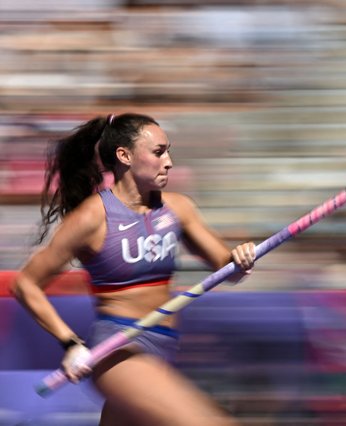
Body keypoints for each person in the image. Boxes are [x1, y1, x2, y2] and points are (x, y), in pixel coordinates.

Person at [10, 113, 256, 426]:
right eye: (158, 152)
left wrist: (241, 259)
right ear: (124, 156)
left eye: (168, 151)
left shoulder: (178, 208)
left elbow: (227, 268)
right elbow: (26, 284)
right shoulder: (92, 217)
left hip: (163, 349)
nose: (168, 161)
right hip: (119, 352)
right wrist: (70, 344)